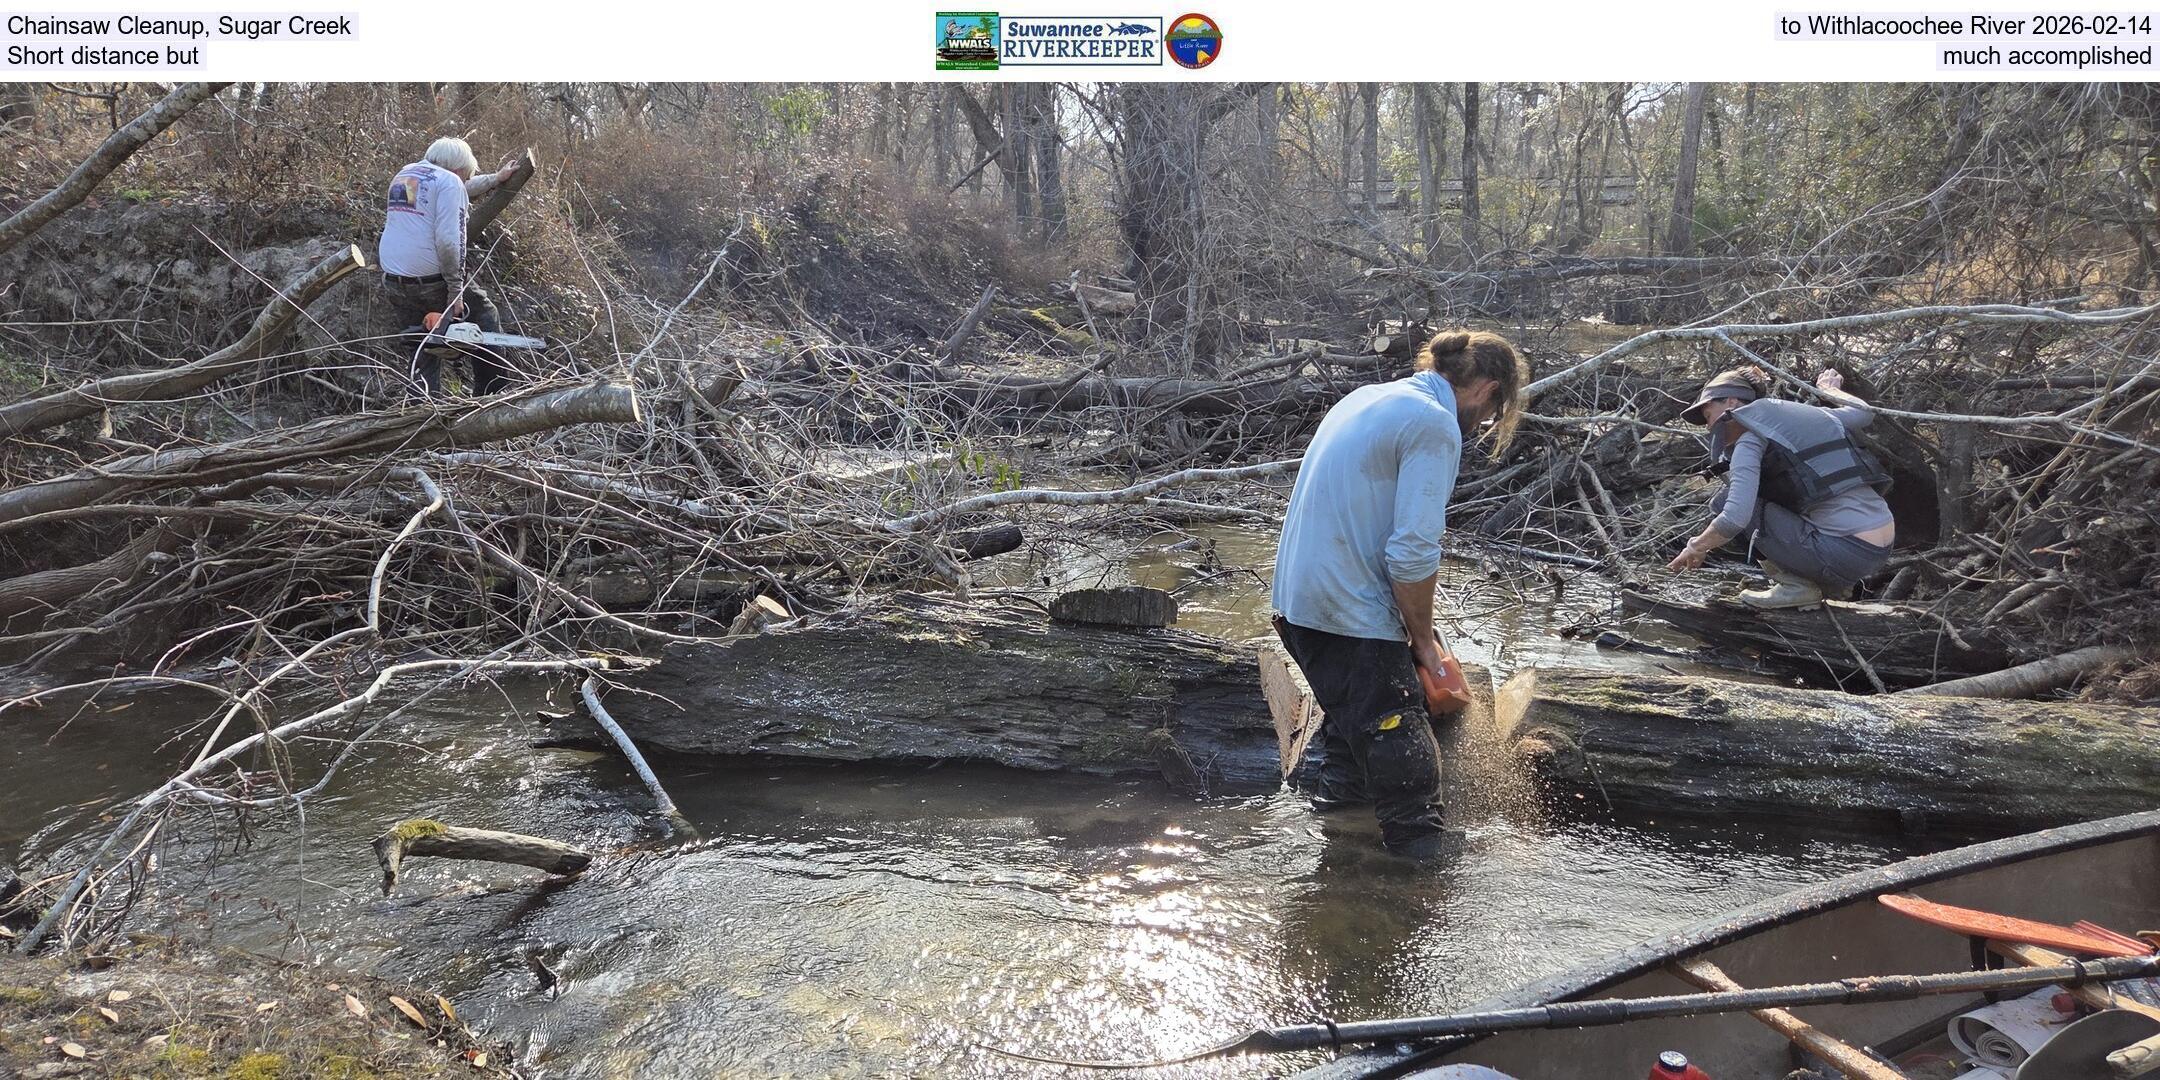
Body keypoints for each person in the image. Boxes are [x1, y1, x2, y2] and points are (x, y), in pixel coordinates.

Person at [1270, 330, 1528, 860]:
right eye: (1488, 413)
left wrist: (1417, 630)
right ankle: (1418, 877)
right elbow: (1412, 552)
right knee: (1401, 747)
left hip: (1298, 604)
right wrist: (1425, 646)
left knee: (1351, 736)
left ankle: (1339, 853)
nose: (1480, 425)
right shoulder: (1433, 424)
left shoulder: (1367, 398)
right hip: (1346, 611)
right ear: (1488, 389)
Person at [1667, 365, 1896, 609]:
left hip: (1842, 551)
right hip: (1881, 548)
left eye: (1708, 416)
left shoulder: (1749, 441)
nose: (1709, 427)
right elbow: (1864, 413)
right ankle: (1831, 585)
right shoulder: (1800, 418)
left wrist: (1696, 546)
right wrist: (1829, 390)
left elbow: (1734, 518)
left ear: (1731, 403)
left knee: (1723, 503)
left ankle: (1796, 586)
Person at [377, 137, 523, 397]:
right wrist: (455, 290)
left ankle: (423, 413)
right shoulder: (450, 182)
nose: (463, 180)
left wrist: (494, 178)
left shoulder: (409, 174)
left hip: (394, 279)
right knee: (484, 316)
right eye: (464, 174)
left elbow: (458, 187)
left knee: (422, 349)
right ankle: (490, 396)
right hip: (432, 279)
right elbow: (449, 241)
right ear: (457, 169)